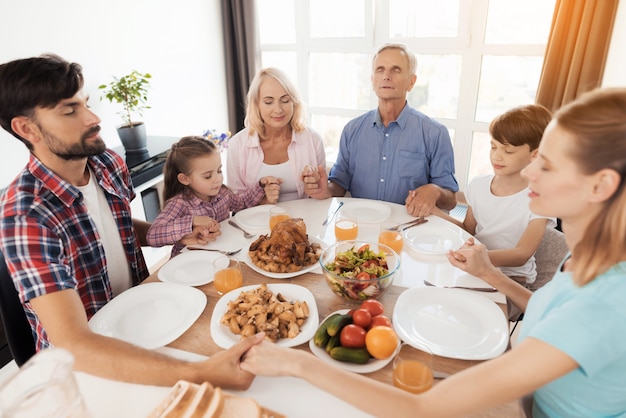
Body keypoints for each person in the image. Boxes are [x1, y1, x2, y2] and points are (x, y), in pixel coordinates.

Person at [241, 87, 626, 417]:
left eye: (547, 163)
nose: (528, 173)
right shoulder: (594, 260)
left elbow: (424, 410)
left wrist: (297, 363)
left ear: (600, 186)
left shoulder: (603, 308)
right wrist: (491, 275)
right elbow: (548, 314)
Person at [0, 54, 263, 388]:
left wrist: (178, 232)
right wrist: (201, 374)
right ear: (26, 128)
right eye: (70, 110)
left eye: (87, 103)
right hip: (91, 368)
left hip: (149, 315)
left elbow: (121, 229)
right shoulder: (24, 214)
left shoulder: (106, 162)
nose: (93, 118)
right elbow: (75, 346)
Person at [303, 43, 459, 217]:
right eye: (380, 69)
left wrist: (435, 191)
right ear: (372, 80)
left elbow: (451, 200)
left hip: (410, 232)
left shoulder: (435, 134)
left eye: (396, 70)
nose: (386, 76)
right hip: (360, 228)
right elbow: (339, 185)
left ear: (411, 82)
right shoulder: (352, 130)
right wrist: (325, 190)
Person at [433, 104, 556, 316]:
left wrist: (480, 260)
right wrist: (435, 213)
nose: (496, 157)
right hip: (475, 269)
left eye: (508, 150)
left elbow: (521, 255)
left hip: (513, 280)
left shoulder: (541, 197)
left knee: (468, 316)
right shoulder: (479, 185)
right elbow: (469, 229)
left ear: (534, 154)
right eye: (493, 146)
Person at [147, 135, 279, 257]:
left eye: (219, 171)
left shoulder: (222, 193)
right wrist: (193, 221)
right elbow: (153, 236)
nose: (218, 179)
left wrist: (260, 186)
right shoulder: (179, 203)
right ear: (185, 179)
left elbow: (242, 204)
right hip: (189, 264)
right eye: (207, 176)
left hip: (221, 255)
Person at [227, 67, 326, 202]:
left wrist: (315, 189)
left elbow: (322, 196)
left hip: (305, 219)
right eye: (268, 102)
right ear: (257, 105)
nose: (278, 110)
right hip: (256, 221)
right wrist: (263, 202)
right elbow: (235, 202)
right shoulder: (237, 145)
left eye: (285, 101)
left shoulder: (312, 139)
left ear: (294, 103)